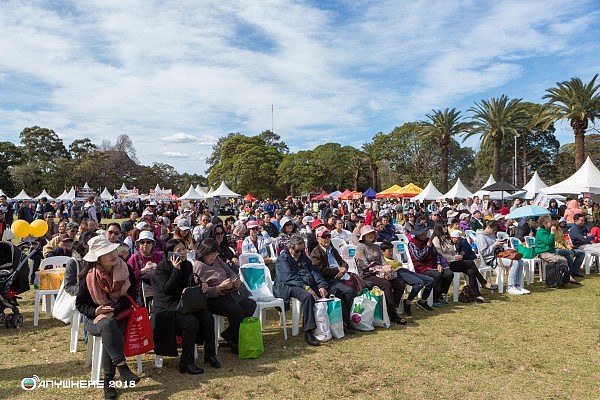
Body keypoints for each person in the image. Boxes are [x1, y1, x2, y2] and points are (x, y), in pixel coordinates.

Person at [75, 235, 140, 400]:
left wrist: (113, 310)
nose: (112, 254)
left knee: (111, 328)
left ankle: (108, 382)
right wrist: (97, 311)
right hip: (94, 318)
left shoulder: (125, 269)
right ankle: (122, 368)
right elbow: (81, 305)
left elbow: (132, 294)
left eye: (112, 250)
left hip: (121, 313)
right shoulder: (88, 277)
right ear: (97, 259)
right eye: (106, 253)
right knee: (108, 325)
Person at [152, 238, 215, 374]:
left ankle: (210, 355)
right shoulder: (162, 267)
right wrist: (176, 270)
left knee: (207, 317)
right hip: (166, 308)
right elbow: (167, 290)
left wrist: (201, 284)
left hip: (184, 304)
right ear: (170, 254)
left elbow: (190, 285)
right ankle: (186, 362)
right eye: (178, 250)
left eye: (184, 248)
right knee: (190, 322)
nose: (183, 252)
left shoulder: (187, 265)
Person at [194, 238, 256, 356]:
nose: (213, 256)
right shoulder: (198, 266)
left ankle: (230, 334)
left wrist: (234, 280)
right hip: (211, 299)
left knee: (250, 304)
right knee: (236, 310)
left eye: (215, 253)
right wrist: (218, 288)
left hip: (228, 292)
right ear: (203, 252)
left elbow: (230, 272)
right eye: (211, 254)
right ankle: (234, 339)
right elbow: (200, 292)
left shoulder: (217, 260)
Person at [274, 235, 328, 346]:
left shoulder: (303, 256)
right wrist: (306, 287)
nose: (300, 252)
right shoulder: (282, 258)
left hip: (302, 283)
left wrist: (321, 285)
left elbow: (314, 270)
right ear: (290, 248)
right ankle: (309, 332)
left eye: (302, 250)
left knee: (327, 292)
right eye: (297, 250)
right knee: (307, 297)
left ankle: (328, 326)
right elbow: (287, 277)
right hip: (287, 285)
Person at [310, 226, 360, 333]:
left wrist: (343, 270)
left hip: (341, 276)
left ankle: (351, 318)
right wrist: (337, 270)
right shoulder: (316, 253)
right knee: (342, 292)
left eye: (328, 236)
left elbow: (343, 262)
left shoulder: (332, 249)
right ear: (318, 239)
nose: (327, 238)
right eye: (324, 236)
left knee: (356, 287)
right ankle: (345, 321)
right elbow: (321, 270)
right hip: (328, 280)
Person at [355, 225, 408, 323]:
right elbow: (364, 265)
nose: (371, 235)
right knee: (386, 285)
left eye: (372, 233)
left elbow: (383, 261)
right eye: (368, 234)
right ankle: (392, 314)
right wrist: (379, 268)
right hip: (368, 275)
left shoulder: (376, 247)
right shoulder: (360, 248)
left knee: (400, 282)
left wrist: (387, 267)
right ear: (363, 236)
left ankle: (391, 306)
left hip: (381, 273)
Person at [379, 241, 434, 317]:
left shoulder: (391, 258)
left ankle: (422, 301)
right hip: (398, 273)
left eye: (392, 250)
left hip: (405, 270)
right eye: (389, 251)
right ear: (382, 252)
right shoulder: (383, 260)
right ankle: (407, 302)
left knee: (430, 280)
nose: (391, 252)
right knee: (419, 283)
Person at [474, 220, 528, 295]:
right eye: (493, 230)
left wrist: (501, 244)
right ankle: (510, 287)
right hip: (489, 259)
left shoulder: (492, 234)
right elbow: (484, 253)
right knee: (514, 263)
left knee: (520, 261)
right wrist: (494, 245)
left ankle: (518, 285)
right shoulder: (480, 236)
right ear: (488, 227)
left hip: (498, 255)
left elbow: (495, 246)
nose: (494, 232)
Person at [410, 223, 454, 307]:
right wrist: (427, 247)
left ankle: (440, 294)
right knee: (437, 275)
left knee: (449, 274)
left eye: (425, 232)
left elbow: (437, 254)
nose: (425, 234)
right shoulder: (412, 243)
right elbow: (419, 257)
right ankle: (434, 298)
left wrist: (438, 264)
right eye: (423, 233)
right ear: (418, 234)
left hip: (432, 265)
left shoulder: (428, 240)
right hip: (421, 267)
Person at [534, 215, 579, 284]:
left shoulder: (549, 230)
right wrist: (552, 232)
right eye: (549, 222)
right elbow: (549, 242)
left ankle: (566, 276)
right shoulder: (540, 232)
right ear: (544, 223)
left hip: (551, 252)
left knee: (566, 257)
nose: (551, 223)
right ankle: (563, 278)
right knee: (559, 259)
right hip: (542, 252)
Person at [127, 231, 164, 304]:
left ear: (153, 244)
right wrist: (142, 271)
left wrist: (158, 269)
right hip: (139, 292)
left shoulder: (159, 256)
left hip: (158, 289)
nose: (145, 244)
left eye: (148, 242)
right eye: (142, 242)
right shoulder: (133, 258)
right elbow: (128, 278)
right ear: (138, 244)